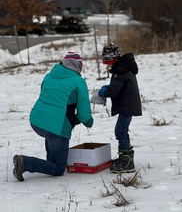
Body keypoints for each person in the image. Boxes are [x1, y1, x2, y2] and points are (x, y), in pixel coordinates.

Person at [13, 51, 93, 181]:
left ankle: (47, 162)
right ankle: (24, 163)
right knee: (58, 168)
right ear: (78, 65)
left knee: (51, 138)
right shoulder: (78, 82)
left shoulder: (48, 76)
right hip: (56, 127)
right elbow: (84, 115)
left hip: (37, 121)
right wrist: (89, 122)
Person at [98, 43, 142, 173]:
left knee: (120, 131)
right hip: (128, 104)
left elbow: (114, 91)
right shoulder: (124, 68)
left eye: (107, 62)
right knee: (122, 131)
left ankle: (127, 162)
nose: (108, 65)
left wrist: (104, 92)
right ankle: (125, 158)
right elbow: (118, 86)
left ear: (111, 59)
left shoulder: (120, 71)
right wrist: (108, 87)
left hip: (126, 106)